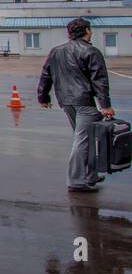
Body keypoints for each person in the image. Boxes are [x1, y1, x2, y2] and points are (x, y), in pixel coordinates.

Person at [38, 17, 115, 193]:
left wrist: (43, 97)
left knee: (85, 139)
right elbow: (100, 80)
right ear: (87, 31)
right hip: (84, 102)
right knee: (83, 141)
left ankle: (90, 175)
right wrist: (105, 105)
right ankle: (76, 181)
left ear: (69, 33)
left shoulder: (56, 51)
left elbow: (46, 75)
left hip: (66, 102)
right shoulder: (91, 51)